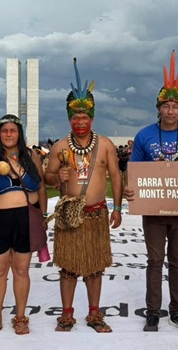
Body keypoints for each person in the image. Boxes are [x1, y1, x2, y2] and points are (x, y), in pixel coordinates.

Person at [123, 51, 178, 333]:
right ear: (158, 108)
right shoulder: (145, 135)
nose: (170, 111)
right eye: (165, 105)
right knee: (155, 261)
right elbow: (132, 170)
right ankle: (153, 311)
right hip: (154, 209)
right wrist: (129, 188)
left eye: (175, 106)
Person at [44, 58, 123, 333]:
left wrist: (118, 209)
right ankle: (67, 315)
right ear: (69, 119)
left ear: (92, 118)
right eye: (76, 117)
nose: (81, 122)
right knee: (67, 267)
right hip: (68, 214)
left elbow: (116, 176)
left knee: (95, 267)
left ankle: (94, 314)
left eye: (85, 117)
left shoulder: (105, 145)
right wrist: (58, 178)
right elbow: (48, 178)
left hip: (98, 213)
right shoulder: (59, 146)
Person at [0, 114, 48, 334]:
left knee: (22, 270)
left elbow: (40, 188)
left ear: (19, 133)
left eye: (12, 130)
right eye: (4, 131)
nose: (8, 134)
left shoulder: (32, 155)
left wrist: (42, 215)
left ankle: (21, 316)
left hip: (25, 217)